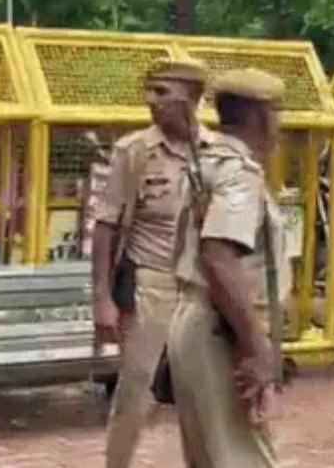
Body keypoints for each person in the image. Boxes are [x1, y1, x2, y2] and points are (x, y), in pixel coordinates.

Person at [91, 56, 212, 468]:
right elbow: (106, 225)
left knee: (203, 395)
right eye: (149, 90)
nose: (151, 100)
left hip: (204, 288)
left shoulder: (219, 153)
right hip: (151, 283)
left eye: (162, 91)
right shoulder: (135, 151)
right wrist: (102, 298)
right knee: (136, 393)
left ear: (191, 96)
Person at [168, 67, 286, 468]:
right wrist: (255, 345)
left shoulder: (208, 162)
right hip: (221, 327)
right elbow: (219, 256)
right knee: (243, 458)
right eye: (277, 113)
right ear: (260, 116)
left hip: (201, 319)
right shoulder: (238, 172)